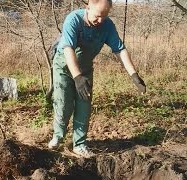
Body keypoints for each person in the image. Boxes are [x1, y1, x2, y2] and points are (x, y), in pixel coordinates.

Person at [48, 0, 146, 158]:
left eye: (105, 15)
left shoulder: (107, 25)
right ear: (88, 7)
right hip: (64, 68)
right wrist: (77, 77)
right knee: (64, 104)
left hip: (85, 69)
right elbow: (68, 49)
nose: (101, 20)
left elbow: (119, 49)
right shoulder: (73, 20)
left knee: (83, 106)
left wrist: (134, 75)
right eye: (98, 16)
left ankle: (79, 145)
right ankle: (58, 137)